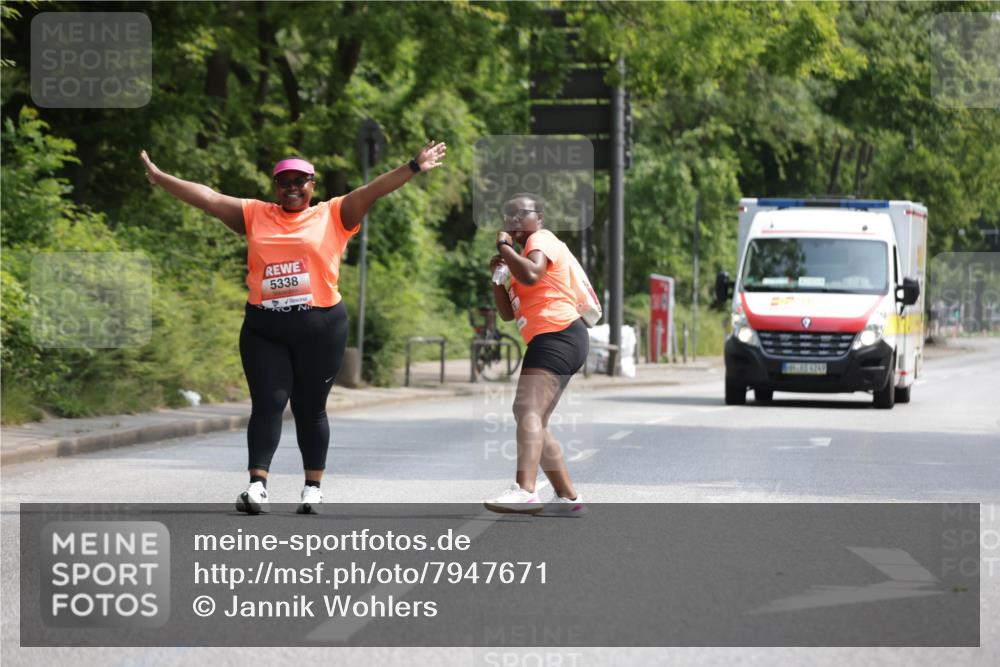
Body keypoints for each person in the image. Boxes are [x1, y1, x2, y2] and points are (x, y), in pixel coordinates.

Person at [139, 142, 446, 514]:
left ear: (312, 185)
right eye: (284, 182)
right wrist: (160, 178)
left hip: (321, 327)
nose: (292, 188)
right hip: (265, 328)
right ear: (275, 186)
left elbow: (372, 190)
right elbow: (207, 197)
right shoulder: (254, 214)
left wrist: (413, 165)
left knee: (310, 408)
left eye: (300, 181)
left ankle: (312, 488)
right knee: (267, 404)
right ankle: (257, 486)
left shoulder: (333, 214)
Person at [484, 193, 589, 516]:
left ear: (539, 217)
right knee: (535, 419)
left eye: (520, 215)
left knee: (525, 408)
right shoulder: (518, 258)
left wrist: (504, 247)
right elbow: (506, 314)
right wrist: (498, 279)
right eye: (508, 216)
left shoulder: (541, 240)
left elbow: (533, 274)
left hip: (557, 334)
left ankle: (525, 490)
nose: (513, 222)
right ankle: (568, 499)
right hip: (553, 337)